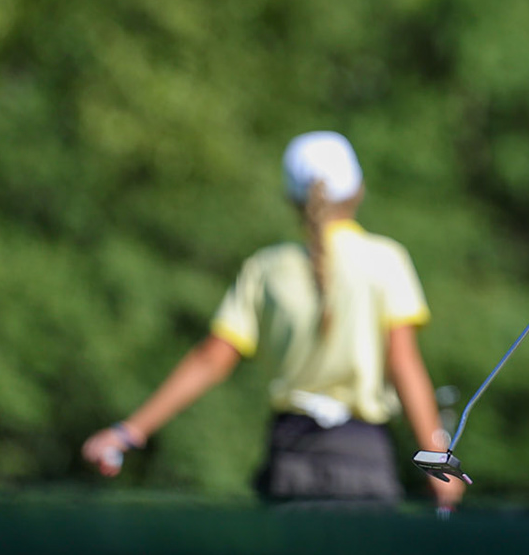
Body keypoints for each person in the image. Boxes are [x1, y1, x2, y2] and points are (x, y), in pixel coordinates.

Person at [81, 131, 462, 511]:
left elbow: (211, 360)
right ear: (358, 190)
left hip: (290, 459)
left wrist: (127, 432)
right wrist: (436, 461)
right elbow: (403, 363)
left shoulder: (265, 269)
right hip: (361, 457)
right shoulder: (386, 260)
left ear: (291, 199)